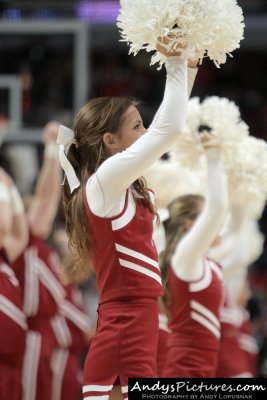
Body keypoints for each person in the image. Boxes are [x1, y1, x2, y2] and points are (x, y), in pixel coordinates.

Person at [58, 42, 197, 399]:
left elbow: (167, 126)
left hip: (137, 325)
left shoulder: (124, 187)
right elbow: (168, 131)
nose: (145, 132)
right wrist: (176, 62)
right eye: (137, 126)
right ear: (111, 141)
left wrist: (190, 66)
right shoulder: (105, 181)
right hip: (124, 328)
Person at [161, 132, 228, 378]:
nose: (218, 226)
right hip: (183, 371)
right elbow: (218, 208)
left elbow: (231, 229)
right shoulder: (185, 259)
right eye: (207, 220)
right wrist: (213, 154)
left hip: (204, 370)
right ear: (190, 225)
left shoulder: (207, 263)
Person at [0, 168, 28, 400]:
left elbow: (21, 236)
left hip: (12, 370)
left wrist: (11, 190)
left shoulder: (4, 255)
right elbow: (3, 228)